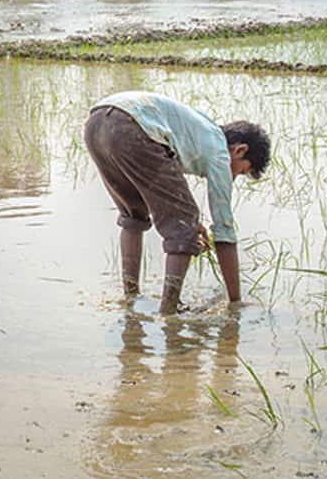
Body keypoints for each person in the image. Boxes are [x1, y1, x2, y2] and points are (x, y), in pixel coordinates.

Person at [83, 91, 270, 314]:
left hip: (97, 123)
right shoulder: (221, 153)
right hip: (132, 126)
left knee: (134, 214)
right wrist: (235, 301)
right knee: (183, 229)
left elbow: (164, 188)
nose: (233, 178)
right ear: (239, 150)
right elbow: (224, 232)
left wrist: (187, 219)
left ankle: (130, 299)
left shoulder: (201, 128)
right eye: (240, 171)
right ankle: (169, 311)